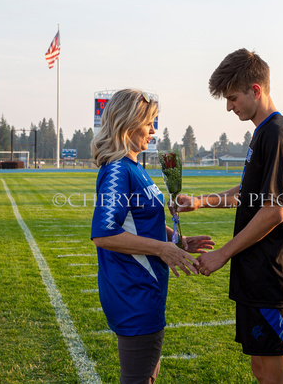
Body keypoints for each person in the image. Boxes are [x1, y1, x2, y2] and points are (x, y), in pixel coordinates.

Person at [178, 48, 283, 384]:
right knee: (262, 369)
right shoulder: (262, 133)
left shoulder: (277, 133)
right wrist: (200, 202)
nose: (229, 106)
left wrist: (222, 253)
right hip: (254, 274)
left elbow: (273, 211)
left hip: (270, 275)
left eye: (232, 98)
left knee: (279, 372)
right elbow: (248, 191)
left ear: (256, 90)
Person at [90, 89, 214, 383]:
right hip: (133, 292)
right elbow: (104, 233)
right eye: (149, 123)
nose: (153, 131)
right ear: (129, 123)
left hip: (145, 290)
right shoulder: (119, 169)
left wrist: (178, 241)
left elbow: (140, 220)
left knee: (147, 374)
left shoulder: (133, 166)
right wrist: (162, 249)